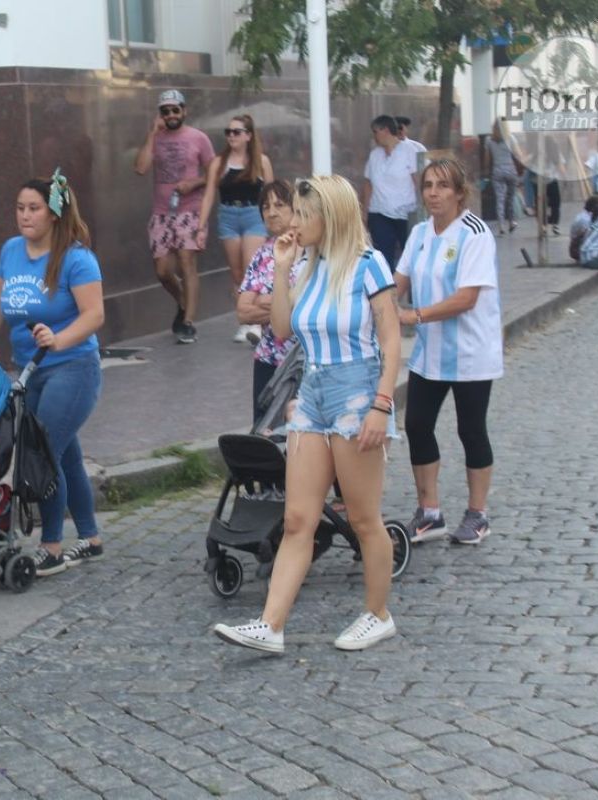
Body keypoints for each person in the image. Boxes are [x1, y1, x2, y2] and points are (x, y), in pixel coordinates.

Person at [212, 175, 403, 654]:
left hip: (357, 392)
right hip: (313, 390)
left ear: (330, 216)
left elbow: (393, 339)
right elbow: (281, 328)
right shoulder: (307, 266)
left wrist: (382, 404)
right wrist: (280, 270)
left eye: (302, 213)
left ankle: (377, 614)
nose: (293, 221)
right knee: (299, 518)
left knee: (362, 519)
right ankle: (270, 625)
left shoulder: (368, 264)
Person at [0, 170, 106, 576]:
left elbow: (95, 314)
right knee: (64, 455)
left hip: (72, 367)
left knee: (41, 453)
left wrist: (59, 339)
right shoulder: (11, 250)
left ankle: (50, 546)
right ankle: (90, 538)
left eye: (34, 208)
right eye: (19, 208)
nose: (24, 216)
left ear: (53, 214)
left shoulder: (76, 258)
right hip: (29, 370)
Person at [393, 159, 503, 547]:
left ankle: (477, 513)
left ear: (459, 192)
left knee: (470, 429)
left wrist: (414, 315)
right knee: (418, 424)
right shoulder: (420, 232)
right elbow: (399, 282)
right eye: (428, 186)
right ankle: (430, 512)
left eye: (442, 186)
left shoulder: (474, 233)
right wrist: (378, 301)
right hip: (430, 352)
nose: (434, 193)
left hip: (471, 352)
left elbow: (466, 298)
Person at [134, 89, 215, 344]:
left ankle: (188, 322)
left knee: (186, 261)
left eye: (175, 110)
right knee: (162, 271)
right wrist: (151, 134)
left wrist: (195, 183)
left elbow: (214, 175)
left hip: (190, 210)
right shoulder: (156, 139)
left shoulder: (198, 138)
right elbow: (140, 168)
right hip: (162, 213)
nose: (170, 115)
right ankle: (183, 301)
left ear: (184, 111)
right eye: (165, 111)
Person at [197, 113, 275, 344]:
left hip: (253, 215)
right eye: (228, 132)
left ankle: (258, 323)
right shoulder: (219, 163)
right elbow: (209, 193)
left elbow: (271, 193)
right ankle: (245, 318)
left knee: (253, 269)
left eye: (236, 132)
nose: (231, 136)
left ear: (248, 136)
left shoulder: (261, 161)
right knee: (237, 273)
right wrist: (201, 227)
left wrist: (274, 220)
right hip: (228, 215)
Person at [236, 179, 298, 417]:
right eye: (265, 207)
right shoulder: (262, 255)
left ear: (295, 209)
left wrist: (264, 300)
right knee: (265, 436)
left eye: (279, 205)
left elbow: (305, 306)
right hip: (268, 359)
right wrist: (285, 304)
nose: (271, 213)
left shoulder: (312, 252)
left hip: (302, 362)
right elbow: (243, 312)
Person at [363, 115, 418, 267]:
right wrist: (365, 212)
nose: (374, 136)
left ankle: (410, 289)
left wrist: (425, 209)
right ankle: (387, 289)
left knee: (410, 257)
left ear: (386, 130)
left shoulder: (409, 151)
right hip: (379, 213)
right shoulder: (375, 155)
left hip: (405, 213)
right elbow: (368, 183)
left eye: (375, 132)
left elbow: (417, 180)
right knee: (382, 259)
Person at [485, 120, 519, 236]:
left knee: (500, 199)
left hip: (497, 171)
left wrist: (487, 172)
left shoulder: (489, 141)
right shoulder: (511, 139)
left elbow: (488, 159)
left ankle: (501, 226)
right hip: (510, 170)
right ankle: (512, 221)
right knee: (510, 197)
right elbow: (517, 154)